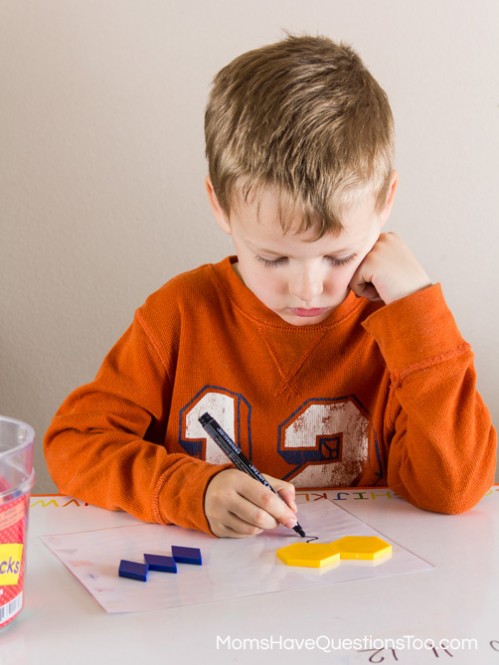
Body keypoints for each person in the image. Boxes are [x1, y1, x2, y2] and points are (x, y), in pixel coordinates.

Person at [44, 34, 496, 538]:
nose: (308, 289)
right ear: (220, 205)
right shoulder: (180, 314)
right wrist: (189, 489)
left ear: (386, 201)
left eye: (339, 256)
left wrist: (417, 312)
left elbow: (454, 488)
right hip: (200, 599)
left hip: (351, 601)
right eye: (273, 258)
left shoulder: (401, 329)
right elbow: (75, 443)